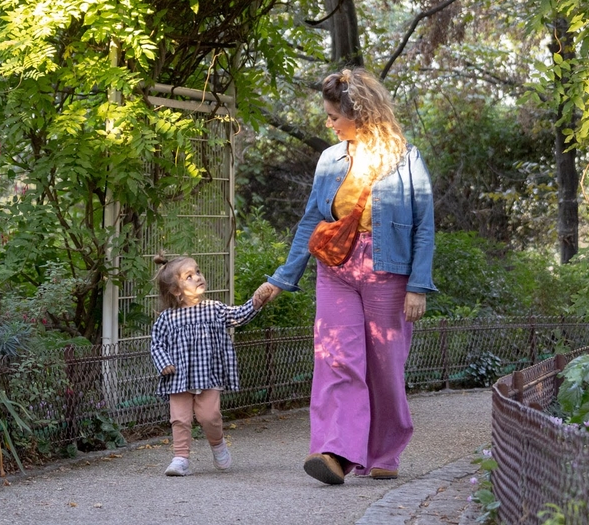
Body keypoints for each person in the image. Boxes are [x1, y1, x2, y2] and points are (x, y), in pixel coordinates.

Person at [258, 67, 436, 485]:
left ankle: (385, 450)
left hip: (388, 269)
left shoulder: (405, 158)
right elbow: (311, 221)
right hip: (336, 267)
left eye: (334, 116)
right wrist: (282, 278)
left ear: (362, 113)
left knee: (385, 365)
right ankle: (336, 452)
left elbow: (425, 225)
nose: (328, 123)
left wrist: (418, 285)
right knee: (336, 357)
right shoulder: (329, 159)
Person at [149, 254, 275, 476]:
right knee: (179, 418)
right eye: (189, 276)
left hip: (208, 375)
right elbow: (156, 344)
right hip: (177, 378)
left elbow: (238, 316)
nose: (198, 277)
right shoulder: (166, 319)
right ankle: (180, 458)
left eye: (198, 272)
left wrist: (255, 303)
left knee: (210, 416)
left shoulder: (214, 308)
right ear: (176, 291)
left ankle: (217, 445)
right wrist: (164, 363)